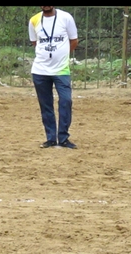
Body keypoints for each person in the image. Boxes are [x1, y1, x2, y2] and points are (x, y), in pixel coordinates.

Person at [29, 6, 78, 149]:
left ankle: (63, 137)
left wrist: (63, 55)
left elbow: (74, 40)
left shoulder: (66, 18)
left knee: (66, 101)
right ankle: (50, 138)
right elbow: (35, 43)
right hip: (40, 70)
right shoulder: (34, 20)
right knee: (46, 105)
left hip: (61, 70)